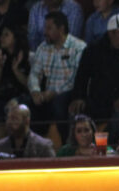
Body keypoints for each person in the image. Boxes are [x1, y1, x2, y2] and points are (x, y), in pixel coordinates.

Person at [71, 13, 119, 141]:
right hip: (97, 98)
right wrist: (79, 97)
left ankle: (107, 144)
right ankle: (73, 146)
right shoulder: (94, 49)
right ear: (111, 34)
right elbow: (82, 75)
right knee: (74, 108)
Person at [28, 10, 87, 141]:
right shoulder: (43, 47)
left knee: (59, 104)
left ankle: (68, 145)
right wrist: (35, 91)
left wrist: (54, 92)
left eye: (49, 28)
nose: (44, 32)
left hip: (68, 92)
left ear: (61, 29)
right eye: (45, 27)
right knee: (26, 105)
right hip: (45, 94)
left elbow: (77, 78)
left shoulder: (78, 47)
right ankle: (33, 146)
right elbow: (34, 73)